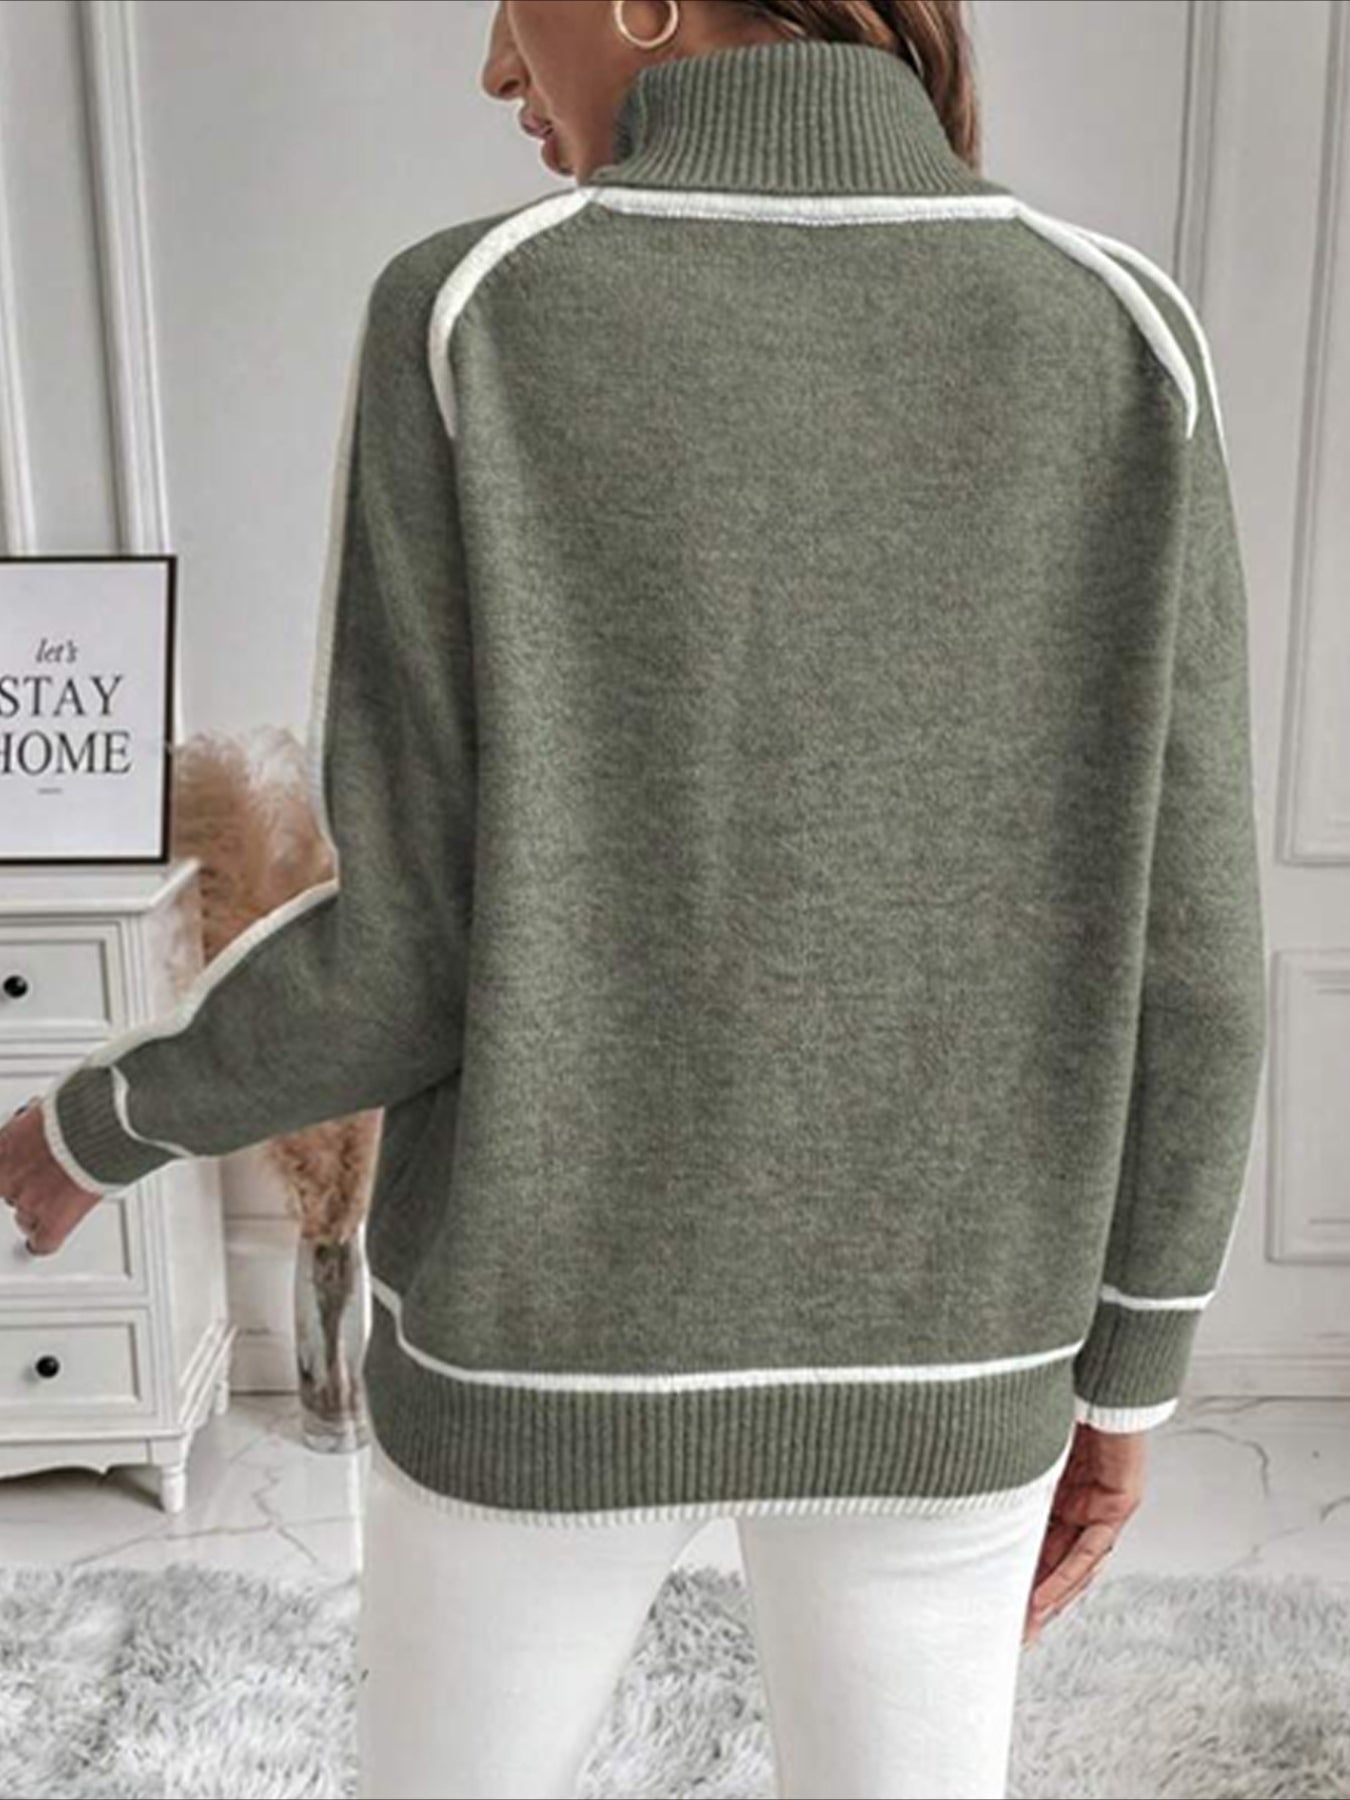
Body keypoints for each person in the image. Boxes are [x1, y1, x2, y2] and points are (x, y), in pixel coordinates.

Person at [0, 2, 1268, 1796]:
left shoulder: (477, 311)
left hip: (541, 1354)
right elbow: (1194, 960)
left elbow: (400, 953)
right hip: (960, 1349)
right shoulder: (1121, 329)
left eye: (506, 6)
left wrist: (95, 1123)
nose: (495, 71)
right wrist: (1127, 1379)